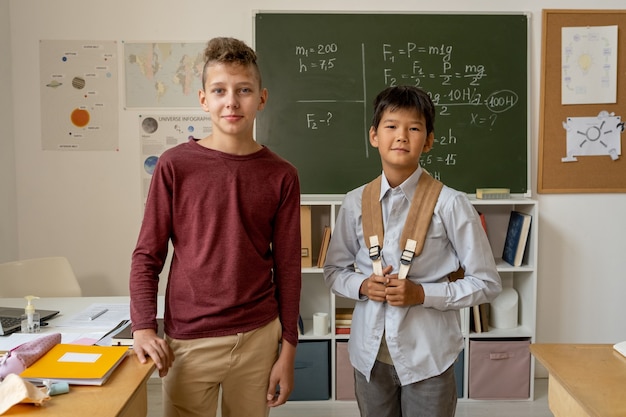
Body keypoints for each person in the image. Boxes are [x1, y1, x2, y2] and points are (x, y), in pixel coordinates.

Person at [129, 37, 302, 417]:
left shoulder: (282, 175)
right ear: (204, 99)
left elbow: (288, 268)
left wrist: (288, 349)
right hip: (190, 340)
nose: (232, 101)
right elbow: (147, 254)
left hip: (258, 335)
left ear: (261, 98)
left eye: (243, 90)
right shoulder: (175, 166)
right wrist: (142, 327)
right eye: (220, 91)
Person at [323, 85, 501, 417]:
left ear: (429, 140)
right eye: (391, 126)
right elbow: (334, 272)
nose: (401, 136)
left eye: (414, 128)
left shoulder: (451, 204)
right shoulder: (354, 203)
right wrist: (362, 286)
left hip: (428, 360)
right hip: (369, 358)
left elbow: (486, 283)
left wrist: (422, 294)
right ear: (374, 136)